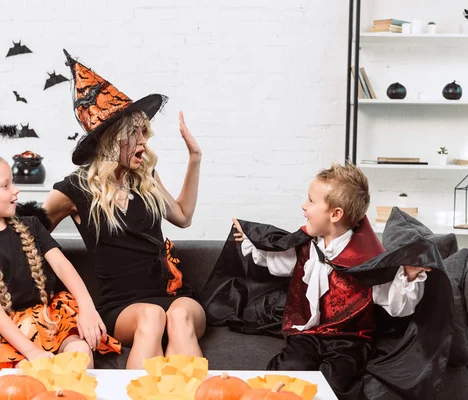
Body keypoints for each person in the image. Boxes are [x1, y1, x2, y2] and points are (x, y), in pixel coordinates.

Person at [202, 162, 449, 400]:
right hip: (308, 332)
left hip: (351, 338)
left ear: (335, 213)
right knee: (289, 368)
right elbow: (278, 259)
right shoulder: (307, 247)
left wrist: (410, 276)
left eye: (311, 200)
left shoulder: (368, 261)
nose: (304, 206)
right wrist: (251, 237)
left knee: (335, 379)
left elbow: (397, 306)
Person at [43, 50, 204, 369]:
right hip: (122, 308)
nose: (144, 143)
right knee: (152, 315)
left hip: (172, 297)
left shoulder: (146, 177)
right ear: (111, 140)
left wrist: (195, 158)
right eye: (134, 134)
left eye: (145, 132)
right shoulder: (75, 190)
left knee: (180, 314)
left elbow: (183, 217)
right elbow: (28, 233)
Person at [0, 147, 120, 384]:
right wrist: (33, 352)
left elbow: (63, 266)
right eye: (5, 186)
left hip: (50, 314)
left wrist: (87, 307)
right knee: (27, 373)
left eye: (12, 183)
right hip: (8, 327)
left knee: (81, 353)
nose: (16, 190)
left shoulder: (31, 225)